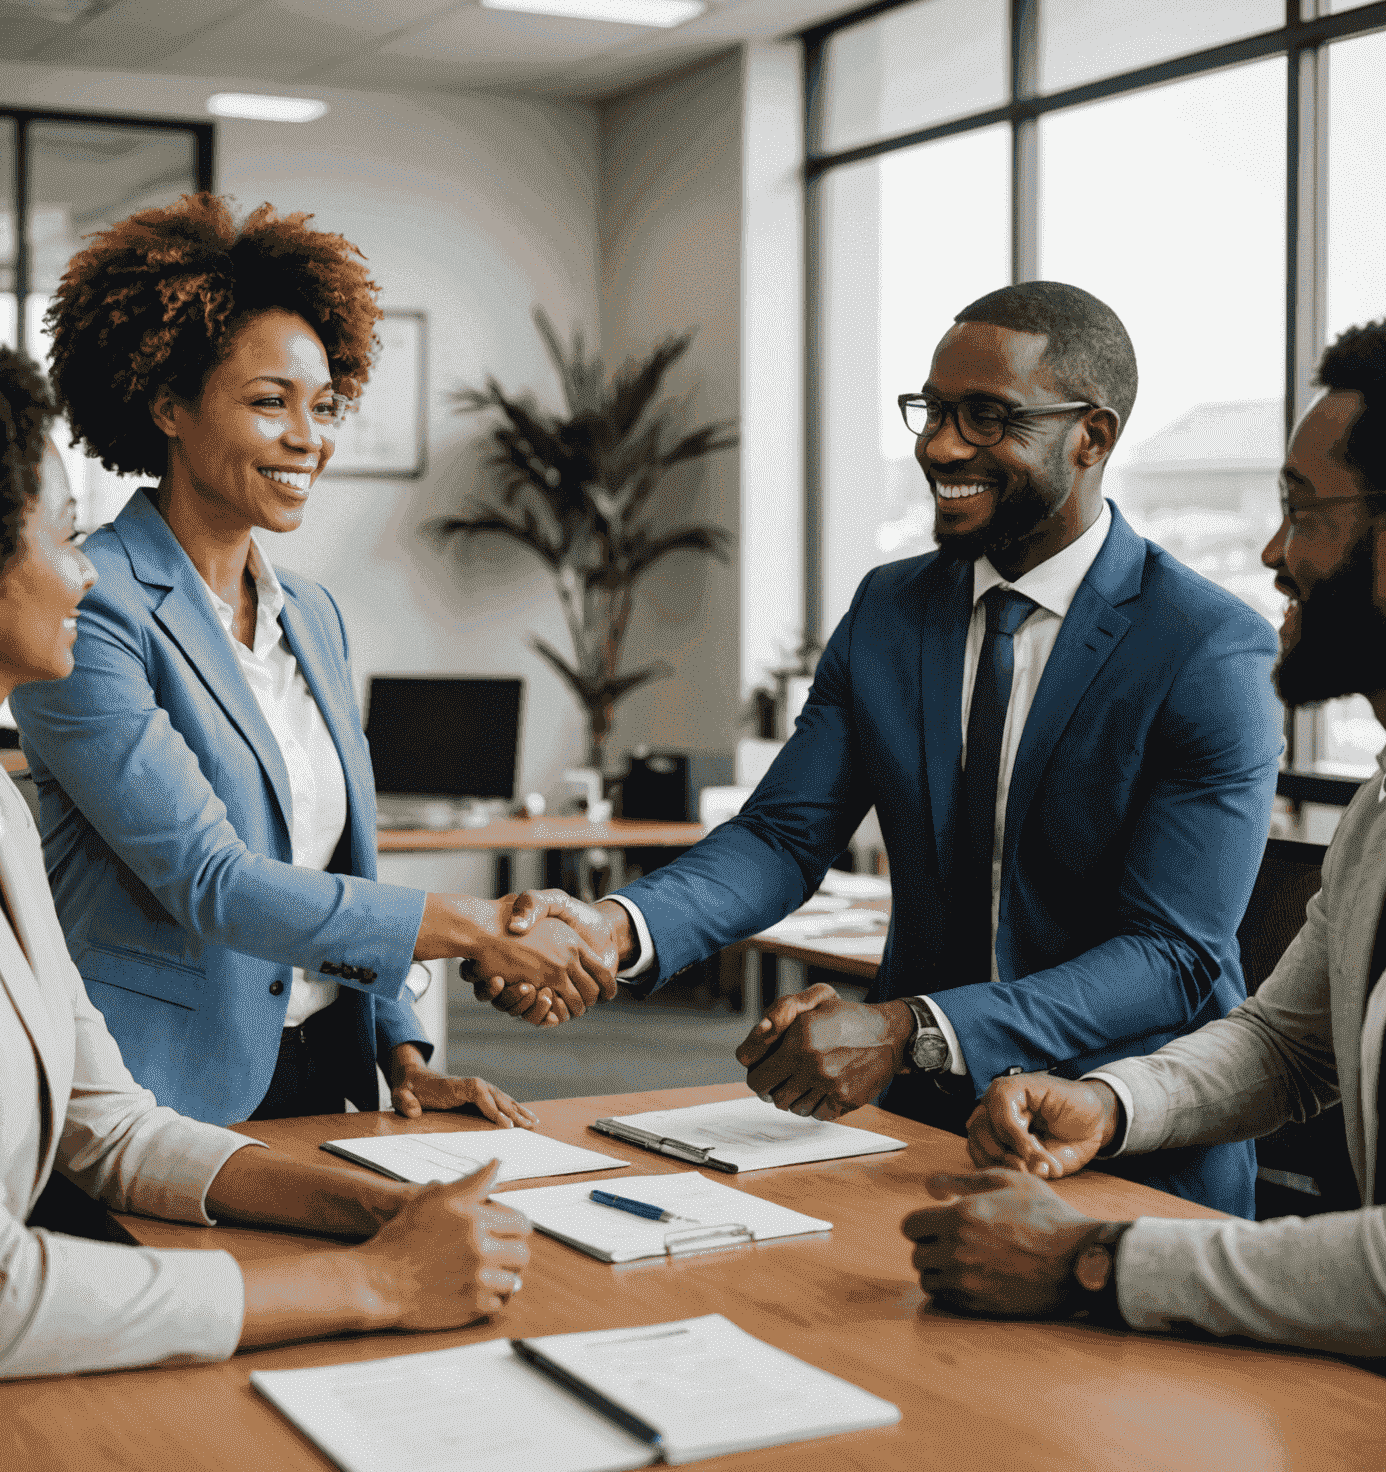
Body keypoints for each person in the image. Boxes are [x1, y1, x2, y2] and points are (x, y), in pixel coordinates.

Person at [0, 333, 532, 1472]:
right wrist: (376, 1281)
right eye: (63, 536)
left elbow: (108, 1126)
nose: (83, 570)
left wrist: (366, 1211)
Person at [486, 281, 1282, 1216]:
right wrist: (611, 930)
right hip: (919, 1136)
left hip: (1125, 1159)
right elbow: (784, 837)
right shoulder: (890, 609)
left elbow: (1171, 954)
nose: (940, 447)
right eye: (934, 411)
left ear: (1092, 437)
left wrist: (907, 1030)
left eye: (987, 418)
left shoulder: (1206, 646)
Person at [9, 193, 615, 1129]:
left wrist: (405, 1055)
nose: (310, 439)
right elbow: (210, 880)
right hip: (152, 1092)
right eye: (269, 403)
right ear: (166, 405)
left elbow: (343, 860)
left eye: (324, 406)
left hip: (324, 1074)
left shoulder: (315, 618)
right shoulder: (92, 609)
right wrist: (481, 927)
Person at [902, 320, 1386, 1354]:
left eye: (1301, 511)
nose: (1272, 555)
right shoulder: (1381, 813)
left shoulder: (1204, 645)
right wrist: (1107, 1102)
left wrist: (1092, 1261)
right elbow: (1285, 1045)